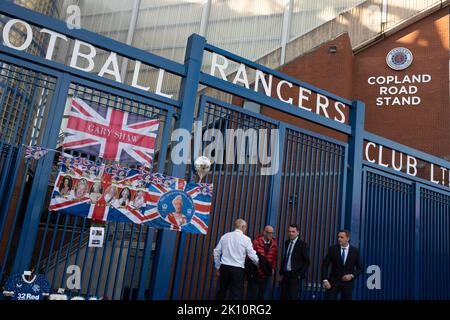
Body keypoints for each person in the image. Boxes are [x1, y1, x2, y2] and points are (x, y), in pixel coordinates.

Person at [213, 219, 259, 300]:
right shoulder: (246, 239)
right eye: (245, 227)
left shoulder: (225, 236)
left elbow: (216, 252)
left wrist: (218, 267)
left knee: (222, 292)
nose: (246, 229)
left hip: (224, 268)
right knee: (235, 295)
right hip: (238, 270)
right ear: (243, 227)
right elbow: (252, 255)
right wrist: (258, 263)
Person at [321, 229, 363, 300]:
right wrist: (325, 280)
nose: (339, 239)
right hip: (333, 283)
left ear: (348, 238)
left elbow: (360, 268)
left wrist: (351, 276)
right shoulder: (332, 249)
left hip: (348, 284)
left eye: (341, 237)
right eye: (338, 237)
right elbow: (325, 265)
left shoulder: (355, 251)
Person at [279, 224, 310, 300]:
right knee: (283, 296)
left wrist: (299, 275)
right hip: (286, 274)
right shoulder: (287, 242)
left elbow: (307, 261)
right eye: (289, 231)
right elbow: (286, 257)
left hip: (295, 275)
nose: (291, 233)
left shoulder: (302, 244)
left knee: (293, 297)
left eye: (293, 231)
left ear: (298, 232)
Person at [247, 225, 278, 300]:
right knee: (253, 295)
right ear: (264, 232)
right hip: (256, 272)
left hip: (267, 273)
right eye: (269, 233)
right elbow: (250, 257)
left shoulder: (274, 244)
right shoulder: (256, 242)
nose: (271, 235)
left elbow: (274, 258)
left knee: (265, 296)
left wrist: (273, 268)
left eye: (272, 233)